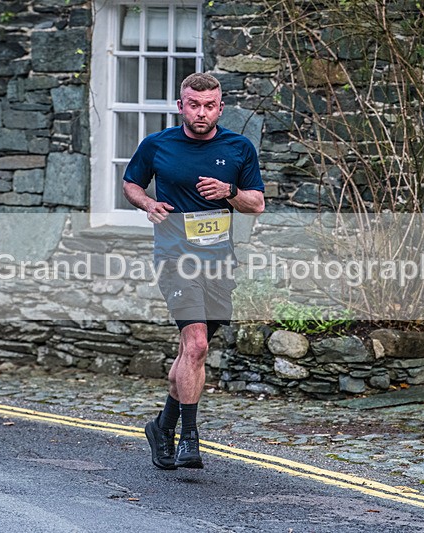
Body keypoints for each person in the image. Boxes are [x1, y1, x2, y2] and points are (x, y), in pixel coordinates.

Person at [123, 73, 265, 469]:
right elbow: (131, 184)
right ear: (181, 105)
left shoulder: (238, 148)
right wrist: (147, 204)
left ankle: (161, 427)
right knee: (198, 344)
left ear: (220, 107)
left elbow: (257, 204)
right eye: (193, 104)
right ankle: (189, 437)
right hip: (175, 258)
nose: (200, 112)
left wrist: (230, 193)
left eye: (208, 106)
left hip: (219, 263)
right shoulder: (157, 145)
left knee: (191, 353)